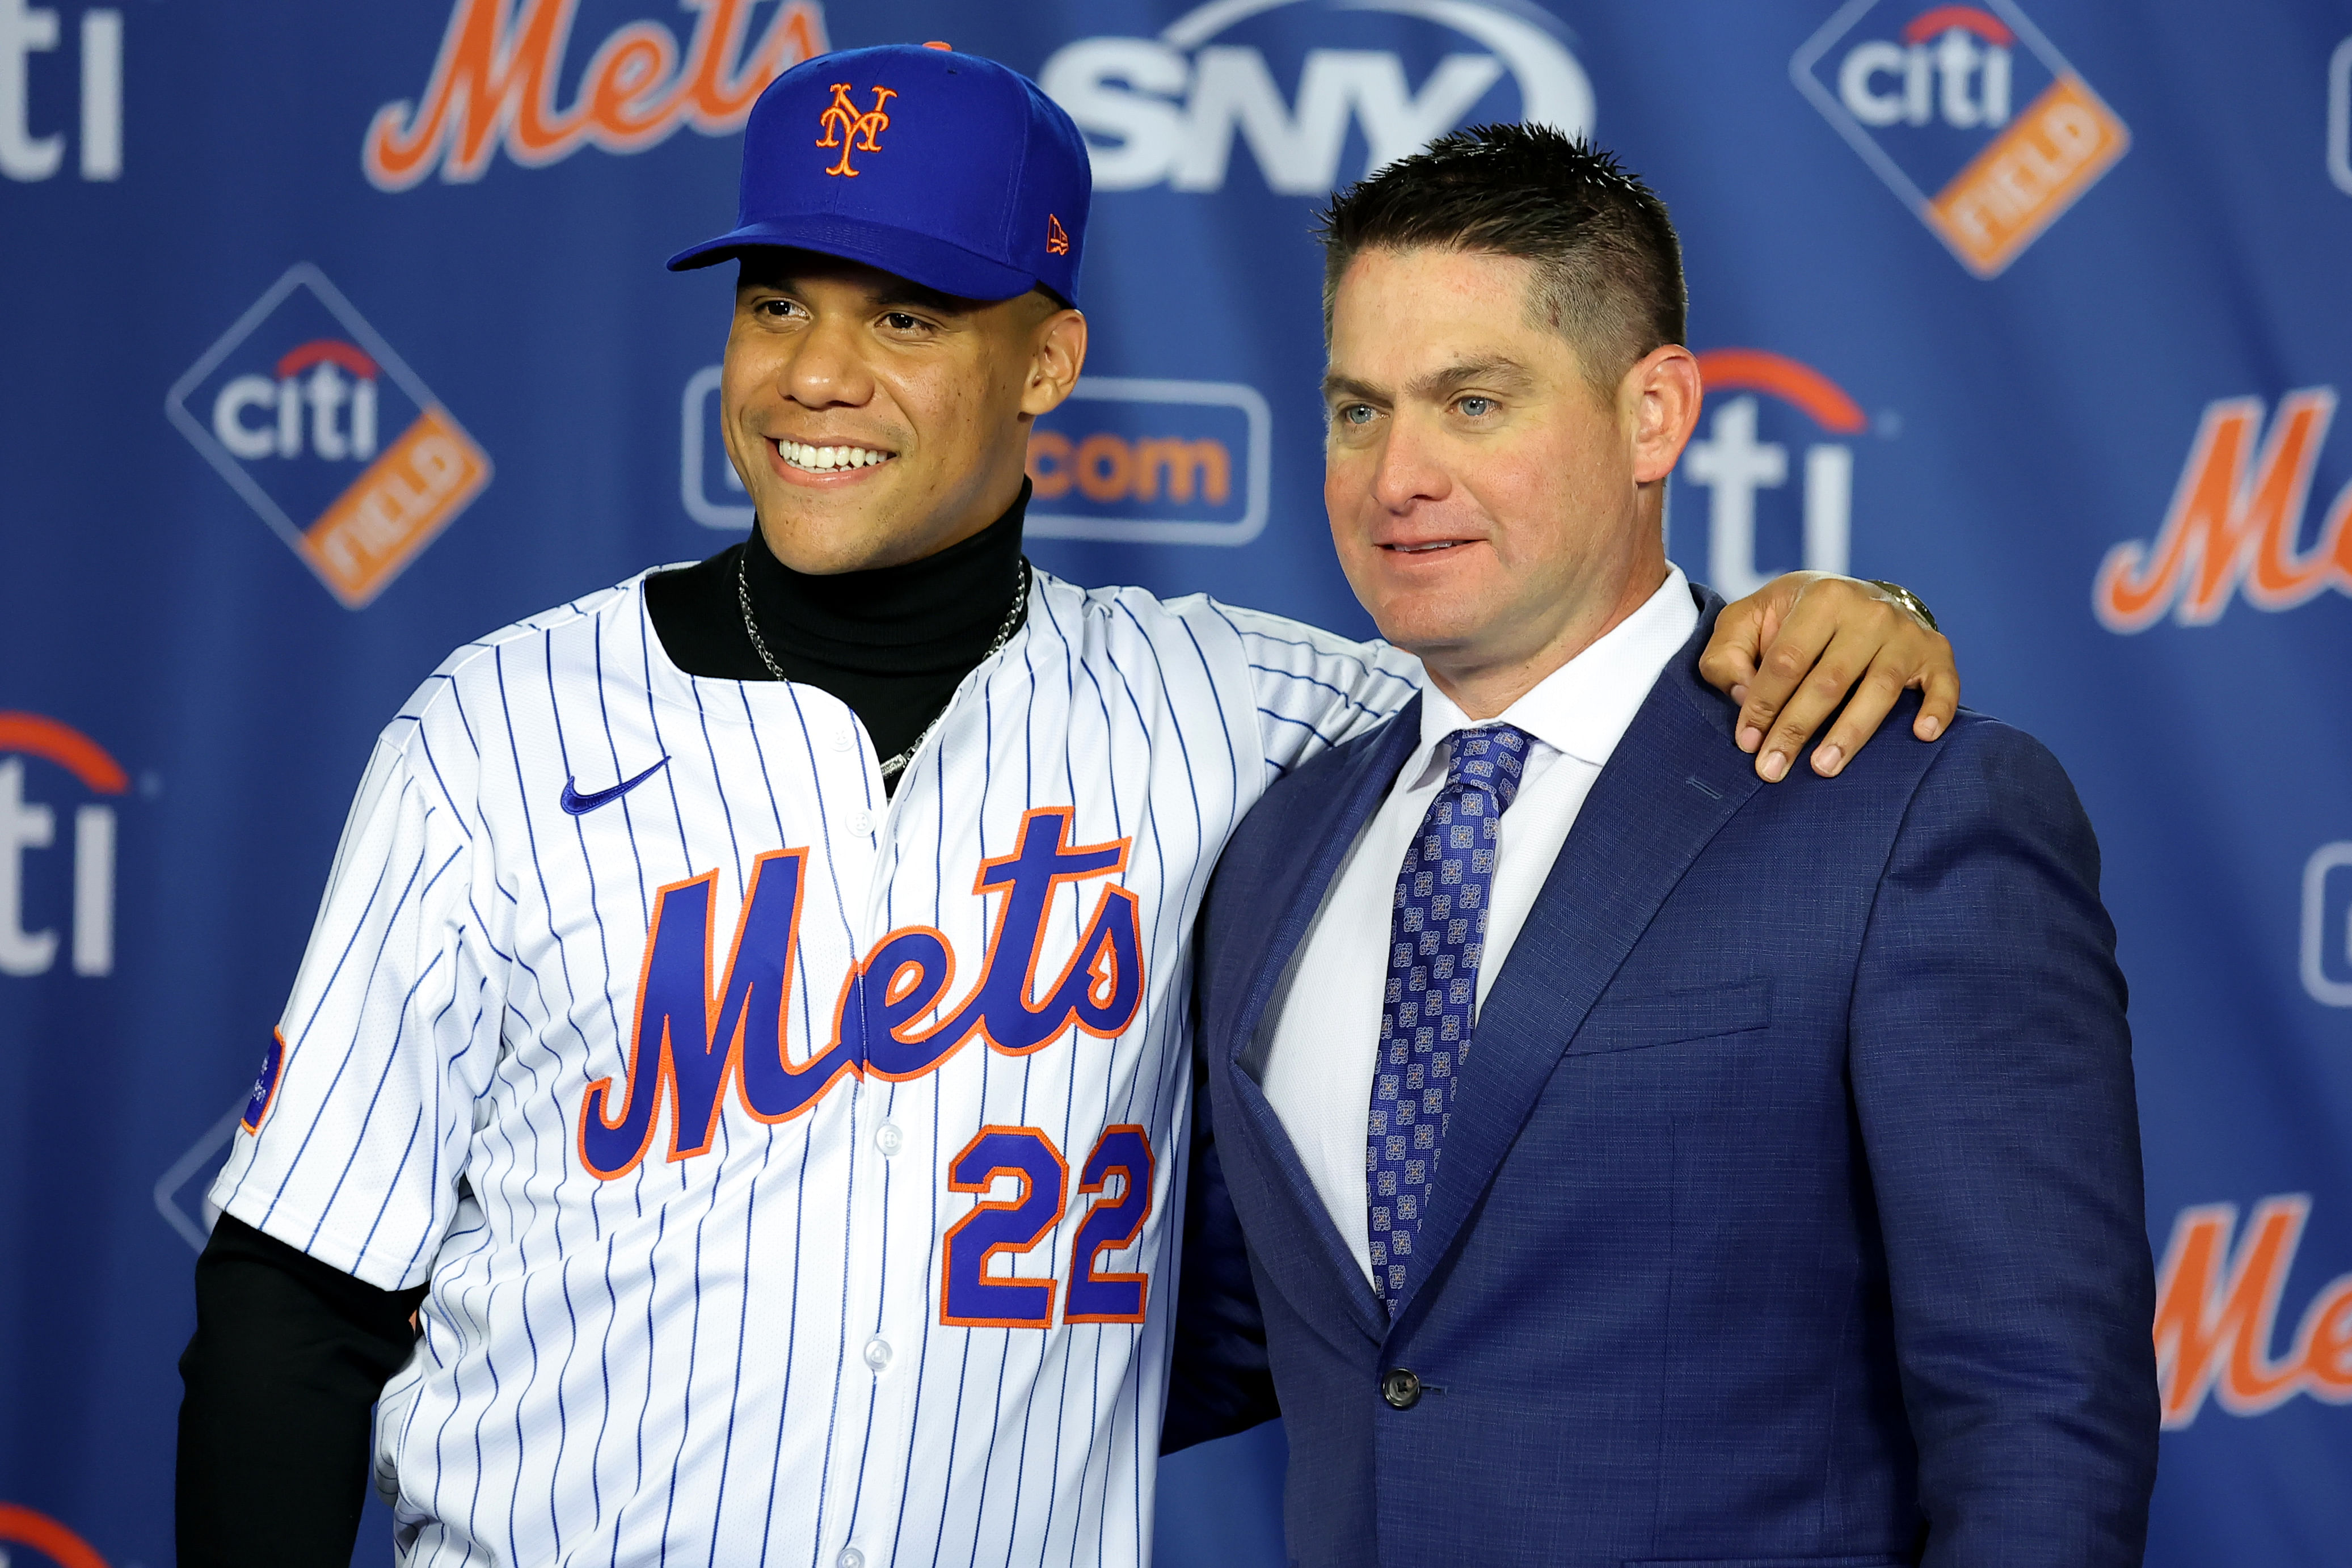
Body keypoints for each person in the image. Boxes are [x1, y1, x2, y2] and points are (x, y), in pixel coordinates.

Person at [174, 47, 1962, 1568]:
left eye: (908, 314)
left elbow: (1573, 705)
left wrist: (1814, 620)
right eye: (777, 297)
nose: (816, 372)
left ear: (1047, 366)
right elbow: (295, 1309)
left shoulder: (1246, 710)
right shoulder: (495, 727)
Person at [1190, 124, 2159, 1568]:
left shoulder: (1900, 806)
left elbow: (2038, 1414)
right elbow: (1230, 1328)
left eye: (1473, 401)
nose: (1398, 474)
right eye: (1356, 410)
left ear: (1654, 415)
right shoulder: (1277, 840)